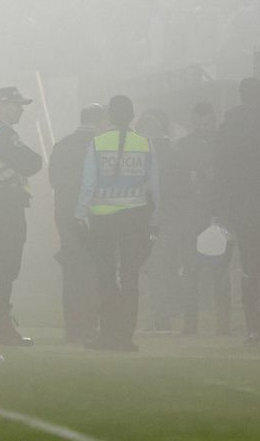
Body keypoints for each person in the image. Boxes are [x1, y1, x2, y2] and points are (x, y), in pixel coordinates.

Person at [75, 95, 159, 352]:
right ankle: (126, 335)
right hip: (134, 217)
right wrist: (155, 219)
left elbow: (88, 183)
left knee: (106, 276)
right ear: (132, 115)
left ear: (109, 116)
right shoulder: (145, 143)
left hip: (103, 218)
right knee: (130, 276)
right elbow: (154, 186)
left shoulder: (98, 143)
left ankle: (107, 333)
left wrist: (80, 214)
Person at [214, 77, 260, 346]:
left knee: (249, 268)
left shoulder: (229, 125)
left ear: (240, 95)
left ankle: (252, 328)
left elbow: (219, 166)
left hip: (242, 206)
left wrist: (223, 205)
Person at [0, 86, 42, 346]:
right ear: (1, 105)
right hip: (5, 205)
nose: (21, 109)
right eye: (16, 104)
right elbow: (31, 162)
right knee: (4, 266)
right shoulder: (2, 133)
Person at [48, 103, 104, 343]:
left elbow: (53, 180)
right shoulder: (100, 145)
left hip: (64, 213)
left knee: (71, 270)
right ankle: (89, 325)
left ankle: (72, 326)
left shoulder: (62, 145)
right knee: (92, 271)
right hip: (91, 214)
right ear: (100, 121)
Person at [175, 102, 232, 335]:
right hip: (190, 220)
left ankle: (223, 327)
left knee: (220, 276)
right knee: (190, 275)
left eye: (206, 124)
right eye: (198, 124)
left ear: (214, 120)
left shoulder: (225, 145)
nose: (202, 128)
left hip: (219, 217)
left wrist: (213, 178)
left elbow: (231, 181)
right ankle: (190, 326)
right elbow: (175, 183)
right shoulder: (181, 147)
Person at [138, 110, 191, 334]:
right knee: (167, 266)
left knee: (155, 269)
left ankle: (160, 317)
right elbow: (185, 190)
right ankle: (175, 311)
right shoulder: (177, 154)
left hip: (151, 220)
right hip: (174, 219)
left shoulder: (144, 155)